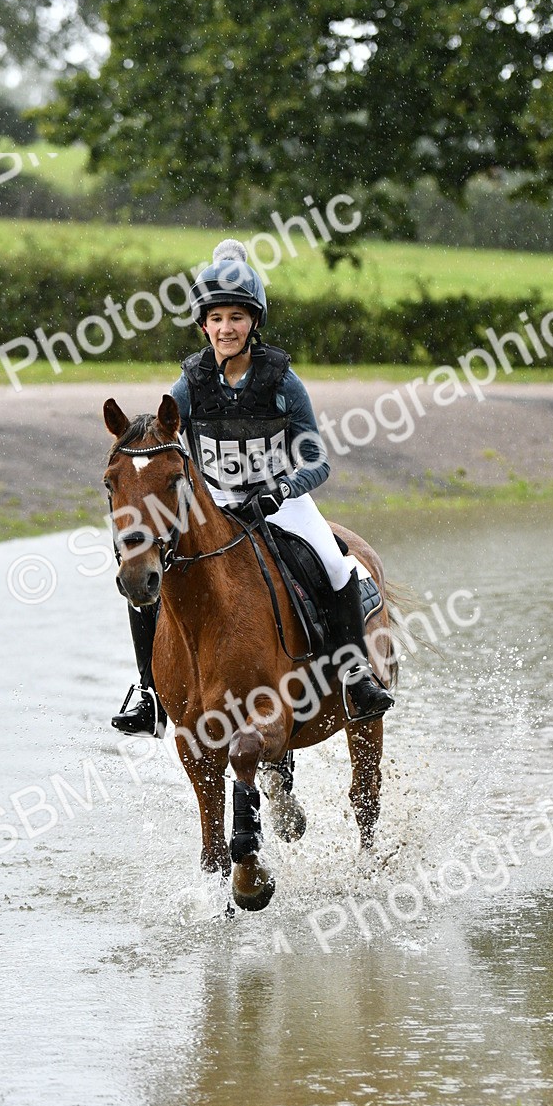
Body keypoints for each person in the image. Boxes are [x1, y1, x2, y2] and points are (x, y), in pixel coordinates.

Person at [111, 238, 394, 736]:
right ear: (204, 325)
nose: (226, 328)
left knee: (335, 563)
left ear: (253, 323)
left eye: (236, 318)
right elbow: (164, 437)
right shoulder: (190, 384)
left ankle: (354, 675)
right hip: (215, 503)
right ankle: (150, 693)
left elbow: (317, 460)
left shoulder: (283, 382)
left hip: (280, 502)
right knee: (151, 573)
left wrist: (282, 490)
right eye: (216, 318)